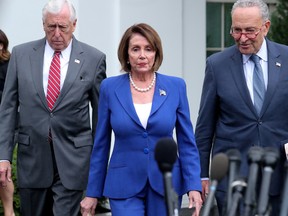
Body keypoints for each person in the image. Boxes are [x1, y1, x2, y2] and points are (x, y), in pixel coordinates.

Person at [80, 23, 203, 216]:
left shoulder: (176, 87)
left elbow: (187, 142)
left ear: (156, 53)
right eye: (135, 49)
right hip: (123, 184)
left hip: (166, 182)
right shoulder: (109, 88)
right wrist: (93, 192)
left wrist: (193, 185)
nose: (142, 55)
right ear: (126, 54)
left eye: (148, 49)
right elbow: (101, 144)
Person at [0, 0, 106, 215]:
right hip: (33, 159)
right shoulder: (21, 55)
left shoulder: (94, 59)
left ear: (74, 25)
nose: (57, 33)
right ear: (43, 25)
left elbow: (101, 117)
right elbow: (8, 108)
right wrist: (3, 156)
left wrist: (96, 165)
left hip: (73, 160)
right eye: (51, 27)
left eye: (63, 27)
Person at [195, 0, 288, 215]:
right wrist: (201, 175)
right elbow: (204, 127)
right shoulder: (217, 64)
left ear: (266, 27)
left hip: (280, 175)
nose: (242, 38)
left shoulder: (286, 58)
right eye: (236, 30)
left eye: (250, 31)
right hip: (232, 178)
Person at [0, 29, 15, 216]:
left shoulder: (8, 65)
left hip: (4, 126)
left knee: (3, 171)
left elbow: (10, 98)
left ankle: (9, 212)